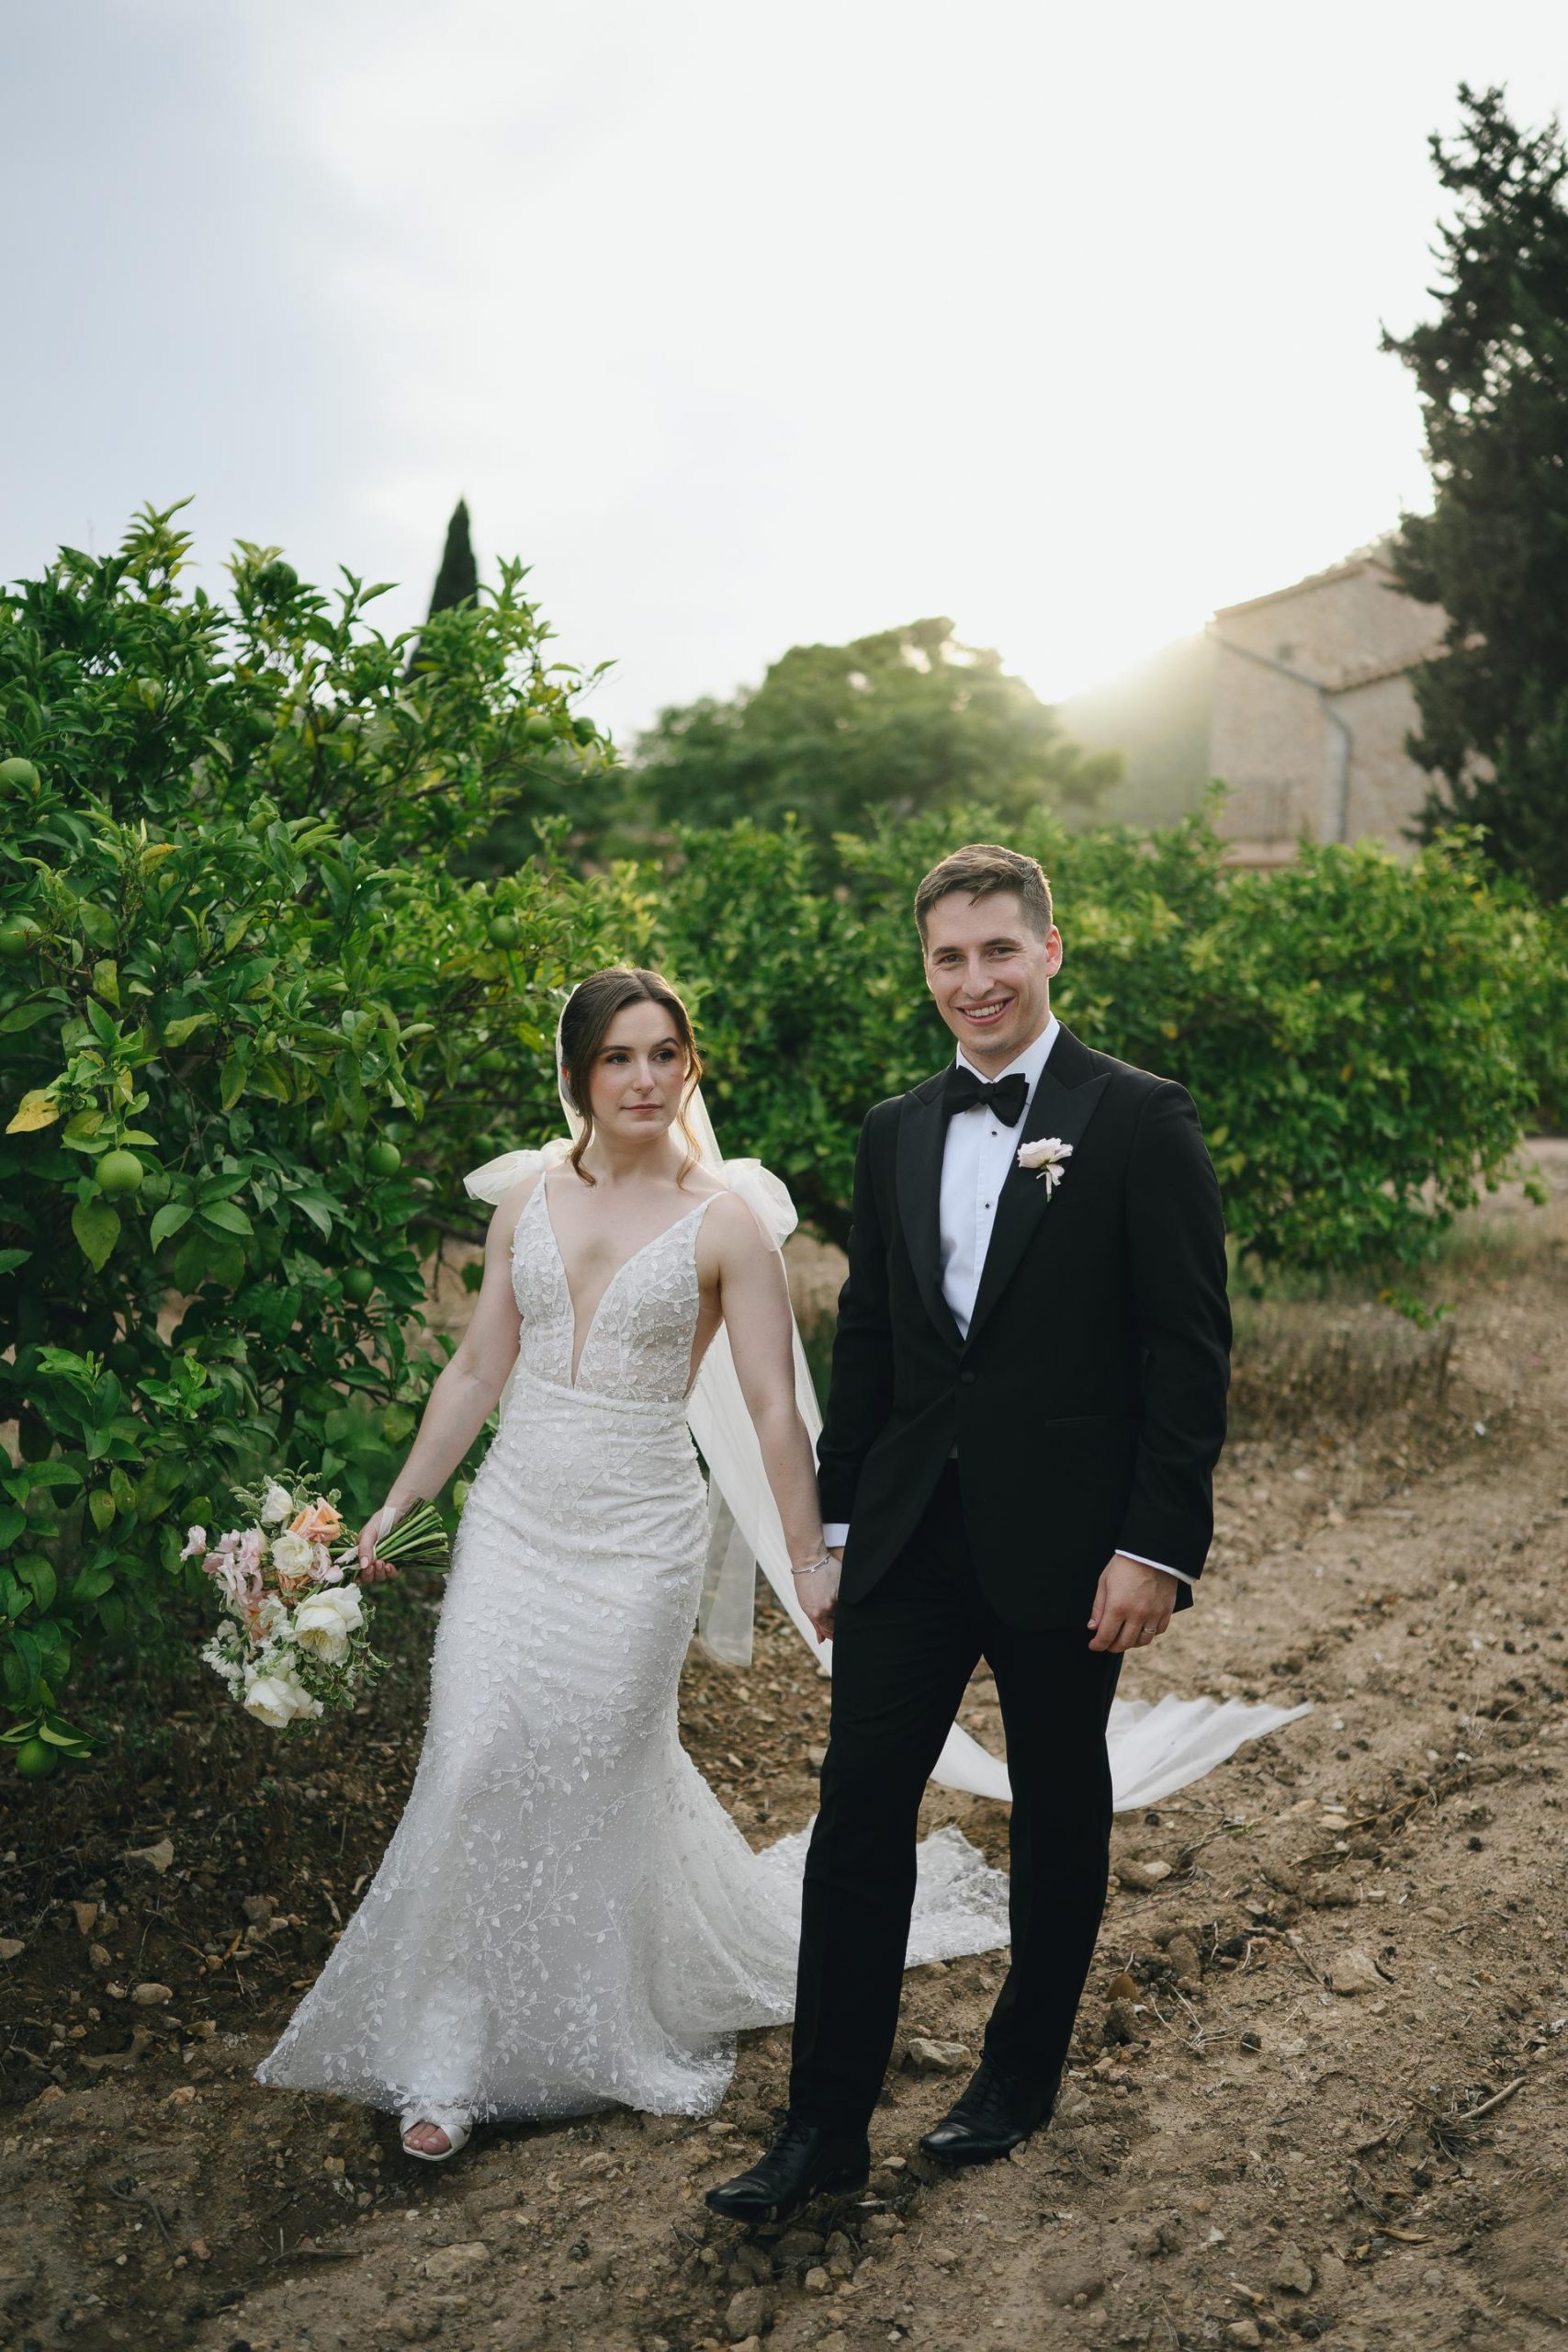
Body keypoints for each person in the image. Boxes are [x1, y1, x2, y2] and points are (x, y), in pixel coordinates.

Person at [255, 966, 1012, 2161]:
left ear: (689, 1068)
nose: (647, 1077)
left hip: (642, 1536)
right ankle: (446, 2051)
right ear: (578, 1076)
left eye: (666, 1054)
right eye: (620, 1057)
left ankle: (594, 2028)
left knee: (598, 1771)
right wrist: (400, 1506)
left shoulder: (728, 1222)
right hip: (516, 1524)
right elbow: (472, 1375)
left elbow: (771, 1410)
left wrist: (812, 1552)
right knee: (474, 1760)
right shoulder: (526, 1204)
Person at [708, 842, 1234, 2224]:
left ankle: (1018, 2076)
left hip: (1073, 1547)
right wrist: (824, 1529)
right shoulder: (894, 1129)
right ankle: (822, 2126)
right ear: (925, 968)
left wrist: (1155, 1546)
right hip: (904, 1538)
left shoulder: (1139, 1117)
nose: (975, 979)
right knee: (857, 1815)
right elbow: (873, 1337)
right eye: (949, 957)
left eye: (999, 950)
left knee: (1058, 1806)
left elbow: (1188, 1352)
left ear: (1051, 950)